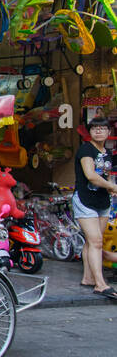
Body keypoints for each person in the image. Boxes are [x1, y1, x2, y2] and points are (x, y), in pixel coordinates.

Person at [73, 118, 117, 299]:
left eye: (102, 128)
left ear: (108, 132)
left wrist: (110, 188)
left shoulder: (107, 153)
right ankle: (100, 284)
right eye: (95, 128)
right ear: (89, 132)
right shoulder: (86, 149)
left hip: (102, 201)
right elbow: (91, 175)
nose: (98, 131)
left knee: (93, 242)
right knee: (96, 241)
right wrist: (112, 187)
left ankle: (88, 278)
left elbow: (106, 175)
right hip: (85, 200)